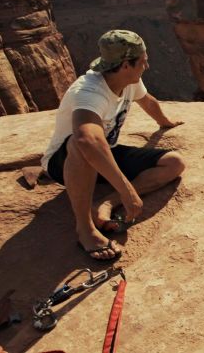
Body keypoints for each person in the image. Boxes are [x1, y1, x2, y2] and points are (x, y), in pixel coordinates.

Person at [41, 30, 186, 260]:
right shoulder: (88, 92)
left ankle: (104, 204)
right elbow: (87, 140)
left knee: (174, 163)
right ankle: (85, 230)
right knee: (83, 145)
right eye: (142, 61)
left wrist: (165, 123)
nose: (147, 65)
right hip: (66, 162)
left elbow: (147, 101)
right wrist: (127, 190)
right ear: (126, 65)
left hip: (104, 153)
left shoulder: (128, 80)